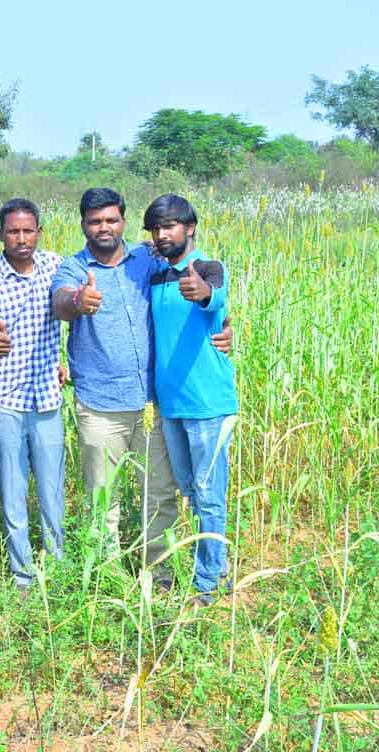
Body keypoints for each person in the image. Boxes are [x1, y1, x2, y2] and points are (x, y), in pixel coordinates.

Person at [50, 188, 230, 588]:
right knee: (102, 498)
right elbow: (60, 302)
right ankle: (106, 576)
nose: (104, 227)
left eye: (111, 220)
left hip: (153, 404)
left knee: (160, 493)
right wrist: (79, 300)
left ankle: (160, 570)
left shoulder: (147, 260)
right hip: (100, 405)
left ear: (123, 223)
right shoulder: (73, 269)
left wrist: (223, 325)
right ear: (83, 225)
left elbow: (206, 293)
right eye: (95, 221)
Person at [144, 194, 238, 606]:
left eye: (170, 226)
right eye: (156, 228)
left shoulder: (208, 268)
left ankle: (208, 584)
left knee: (209, 491)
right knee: (191, 490)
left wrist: (201, 292)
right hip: (171, 405)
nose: (163, 234)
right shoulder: (156, 275)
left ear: (190, 227)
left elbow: (212, 296)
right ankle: (218, 565)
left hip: (208, 405)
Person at [0, 198, 66, 592]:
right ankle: (23, 575)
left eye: (28, 231)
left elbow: (75, 304)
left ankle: (57, 569)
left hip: (47, 398)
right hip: (6, 402)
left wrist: (67, 359)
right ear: (0, 235)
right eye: (13, 231)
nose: (21, 239)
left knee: (52, 492)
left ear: (39, 233)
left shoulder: (57, 266)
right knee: (13, 493)